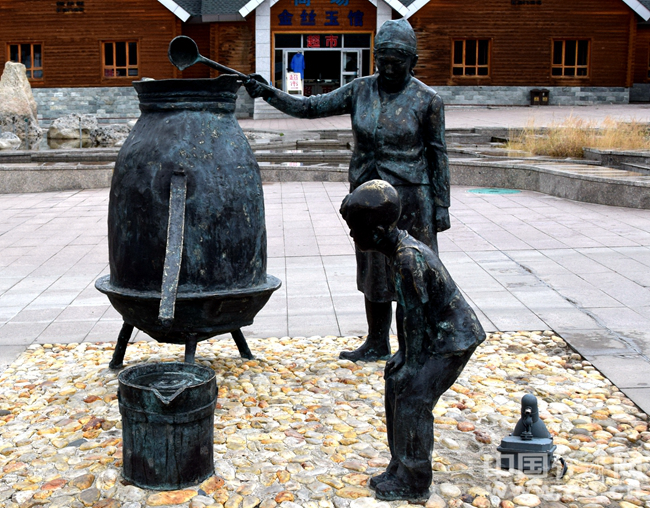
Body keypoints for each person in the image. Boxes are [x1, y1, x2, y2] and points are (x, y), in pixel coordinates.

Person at [245, 18, 450, 362]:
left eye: (397, 61)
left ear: (413, 61)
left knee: (412, 273)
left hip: (412, 198)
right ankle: (377, 343)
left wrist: (442, 205)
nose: (388, 68)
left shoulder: (428, 100)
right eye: (382, 60)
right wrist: (269, 92)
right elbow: (310, 107)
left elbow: (437, 154)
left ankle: (413, 347)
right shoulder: (360, 90)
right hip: (369, 199)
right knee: (373, 271)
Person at [339, 180, 485, 501]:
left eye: (355, 229)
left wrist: (411, 361)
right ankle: (400, 465)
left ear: (377, 231)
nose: (351, 235)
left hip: (452, 339)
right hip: (435, 335)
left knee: (413, 398)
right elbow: (407, 312)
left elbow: (414, 315)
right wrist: (403, 356)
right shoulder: (397, 251)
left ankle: (415, 479)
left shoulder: (408, 258)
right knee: (395, 383)